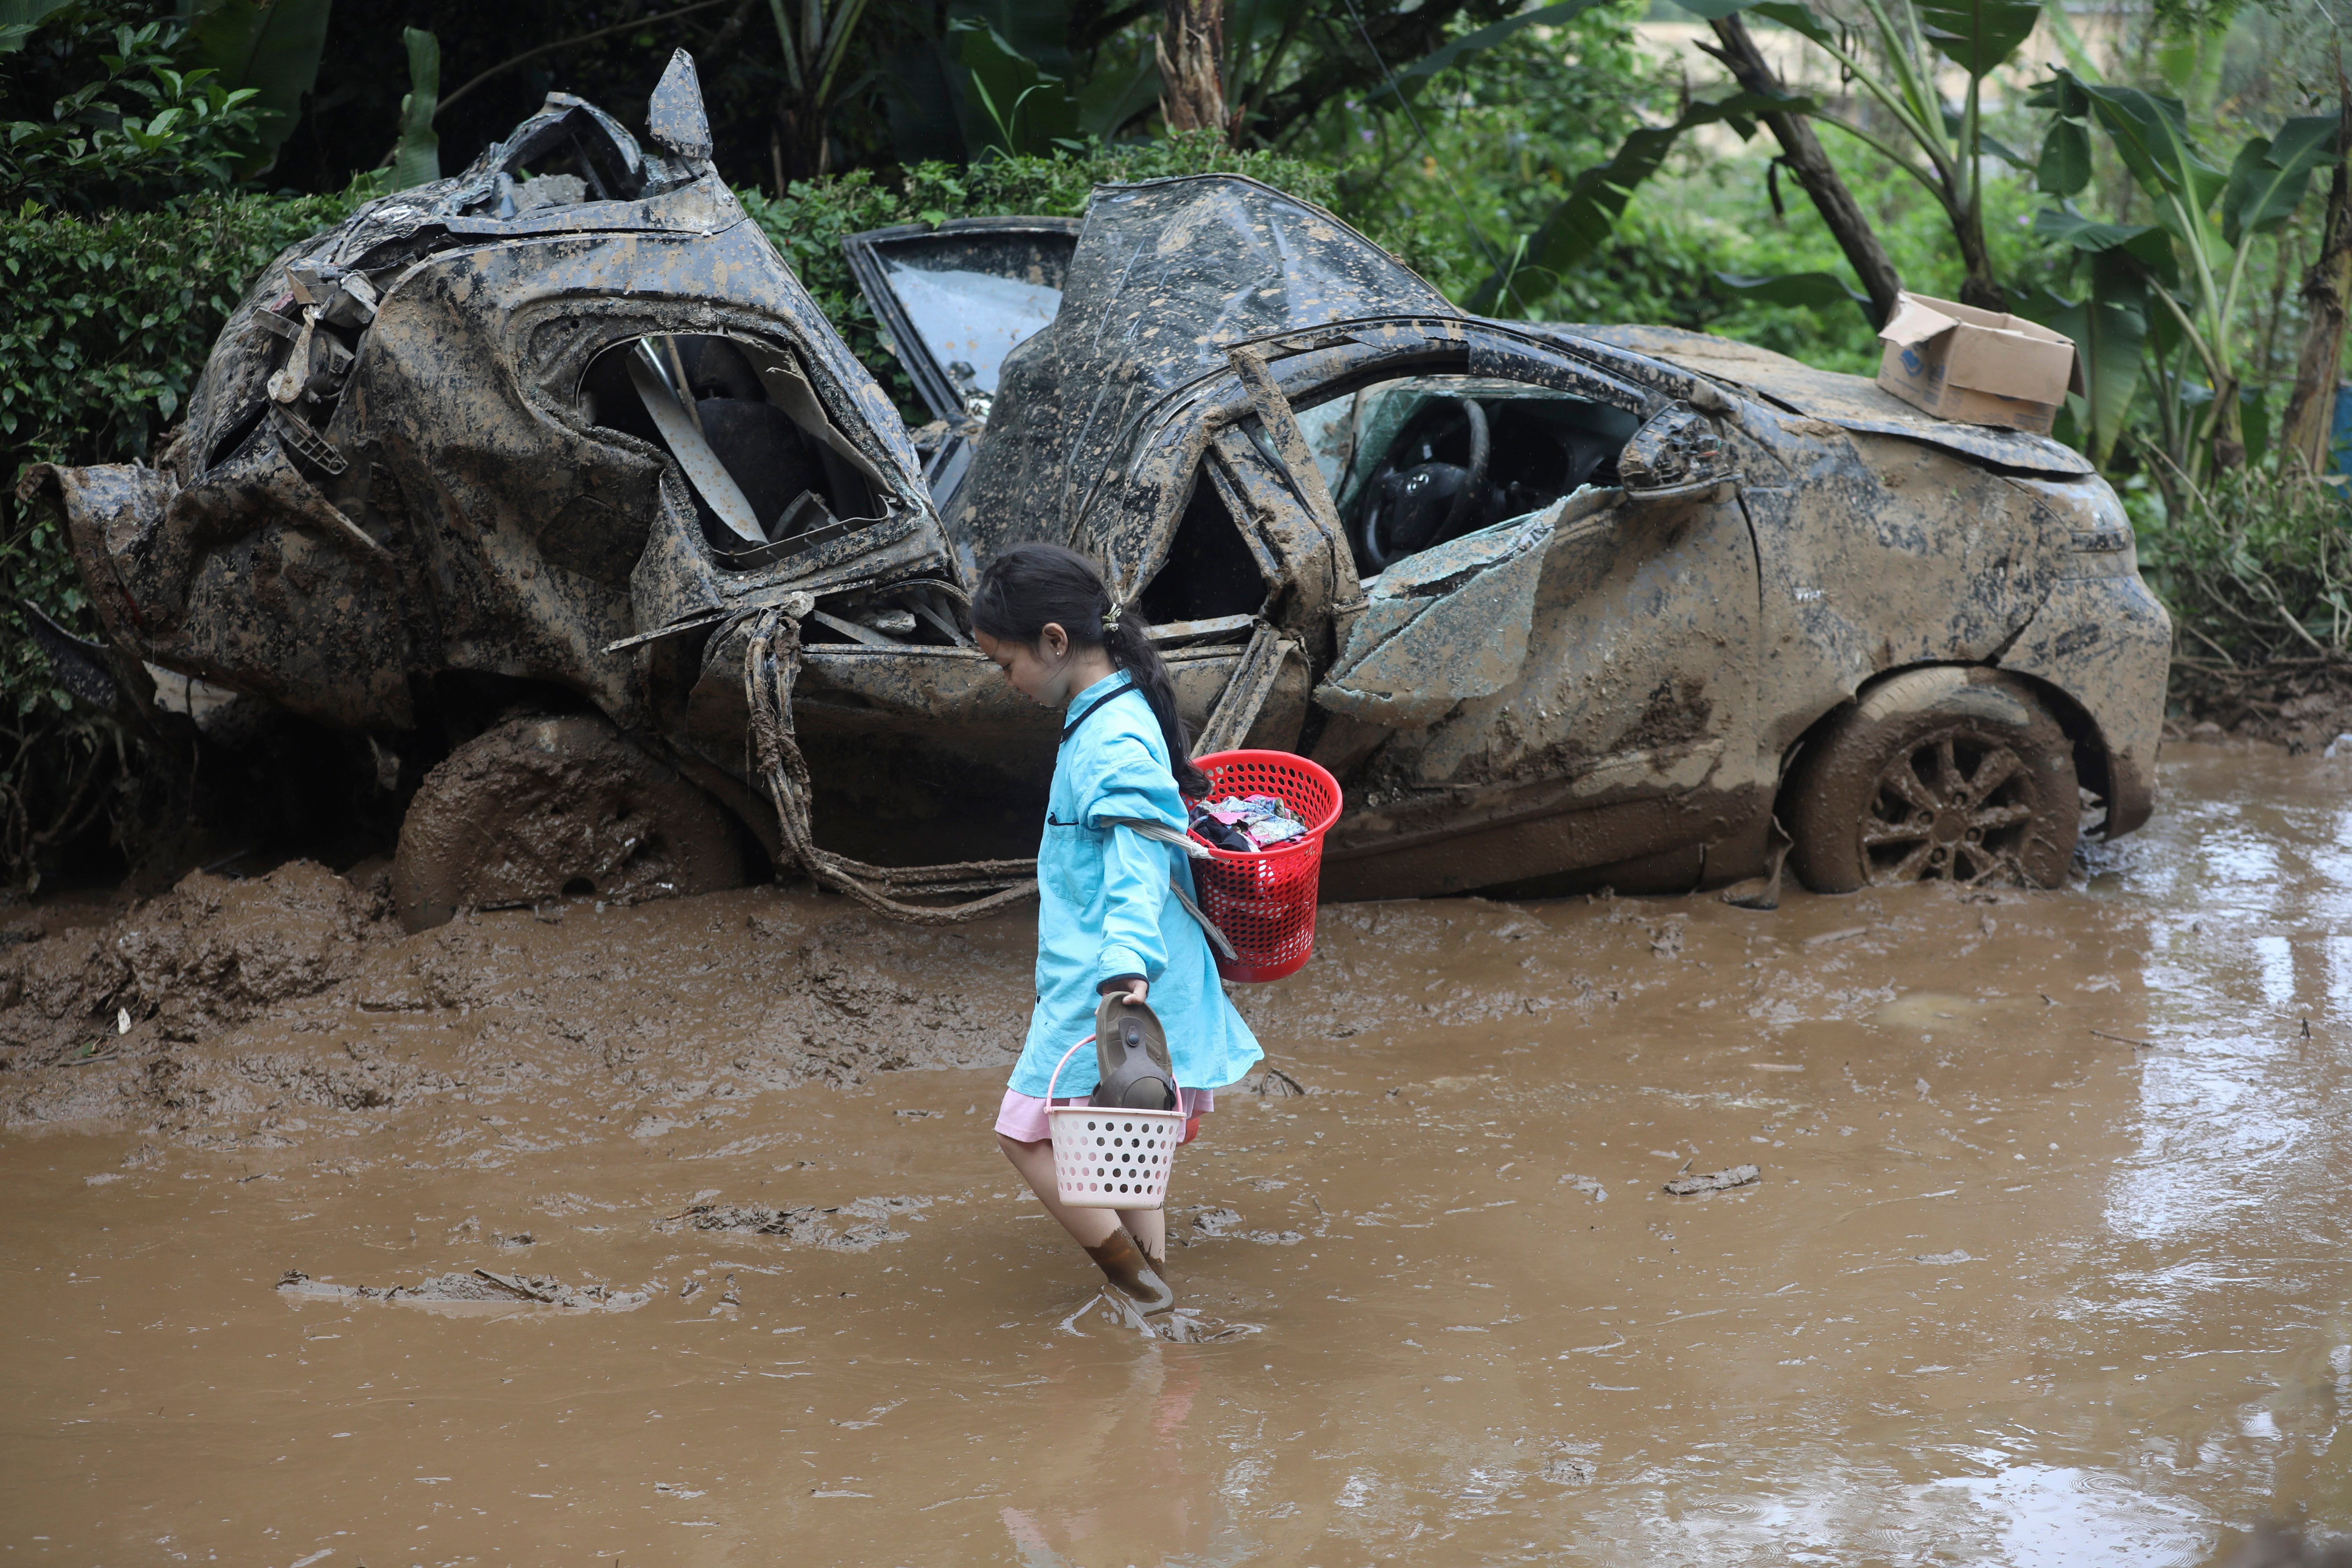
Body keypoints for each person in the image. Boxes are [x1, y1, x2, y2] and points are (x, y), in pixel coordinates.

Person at [973, 542, 1263, 1315]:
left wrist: (1125, 969)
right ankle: (1161, 1284)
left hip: (1105, 969)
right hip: (1124, 957)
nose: (1007, 682)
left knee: (1023, 1132)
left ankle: (1141, 1288)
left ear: (1056, 642)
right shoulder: (1115, 706)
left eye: (1006, 664)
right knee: (1124, 1141)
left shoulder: (1111, 738)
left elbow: (1137, 860)